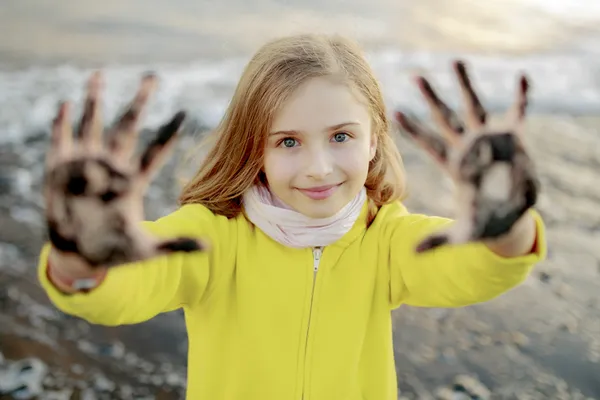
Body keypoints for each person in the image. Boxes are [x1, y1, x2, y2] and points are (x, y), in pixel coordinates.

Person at [38, 33, 546, 400]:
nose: (319, 168)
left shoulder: (385, 237)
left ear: (373, 140)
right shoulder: (210, 236)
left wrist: (507, 219)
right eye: (287, 142)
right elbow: (120, 291)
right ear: (251, 148)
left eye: (341, 136)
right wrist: (78, 255)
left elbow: (477, 267)